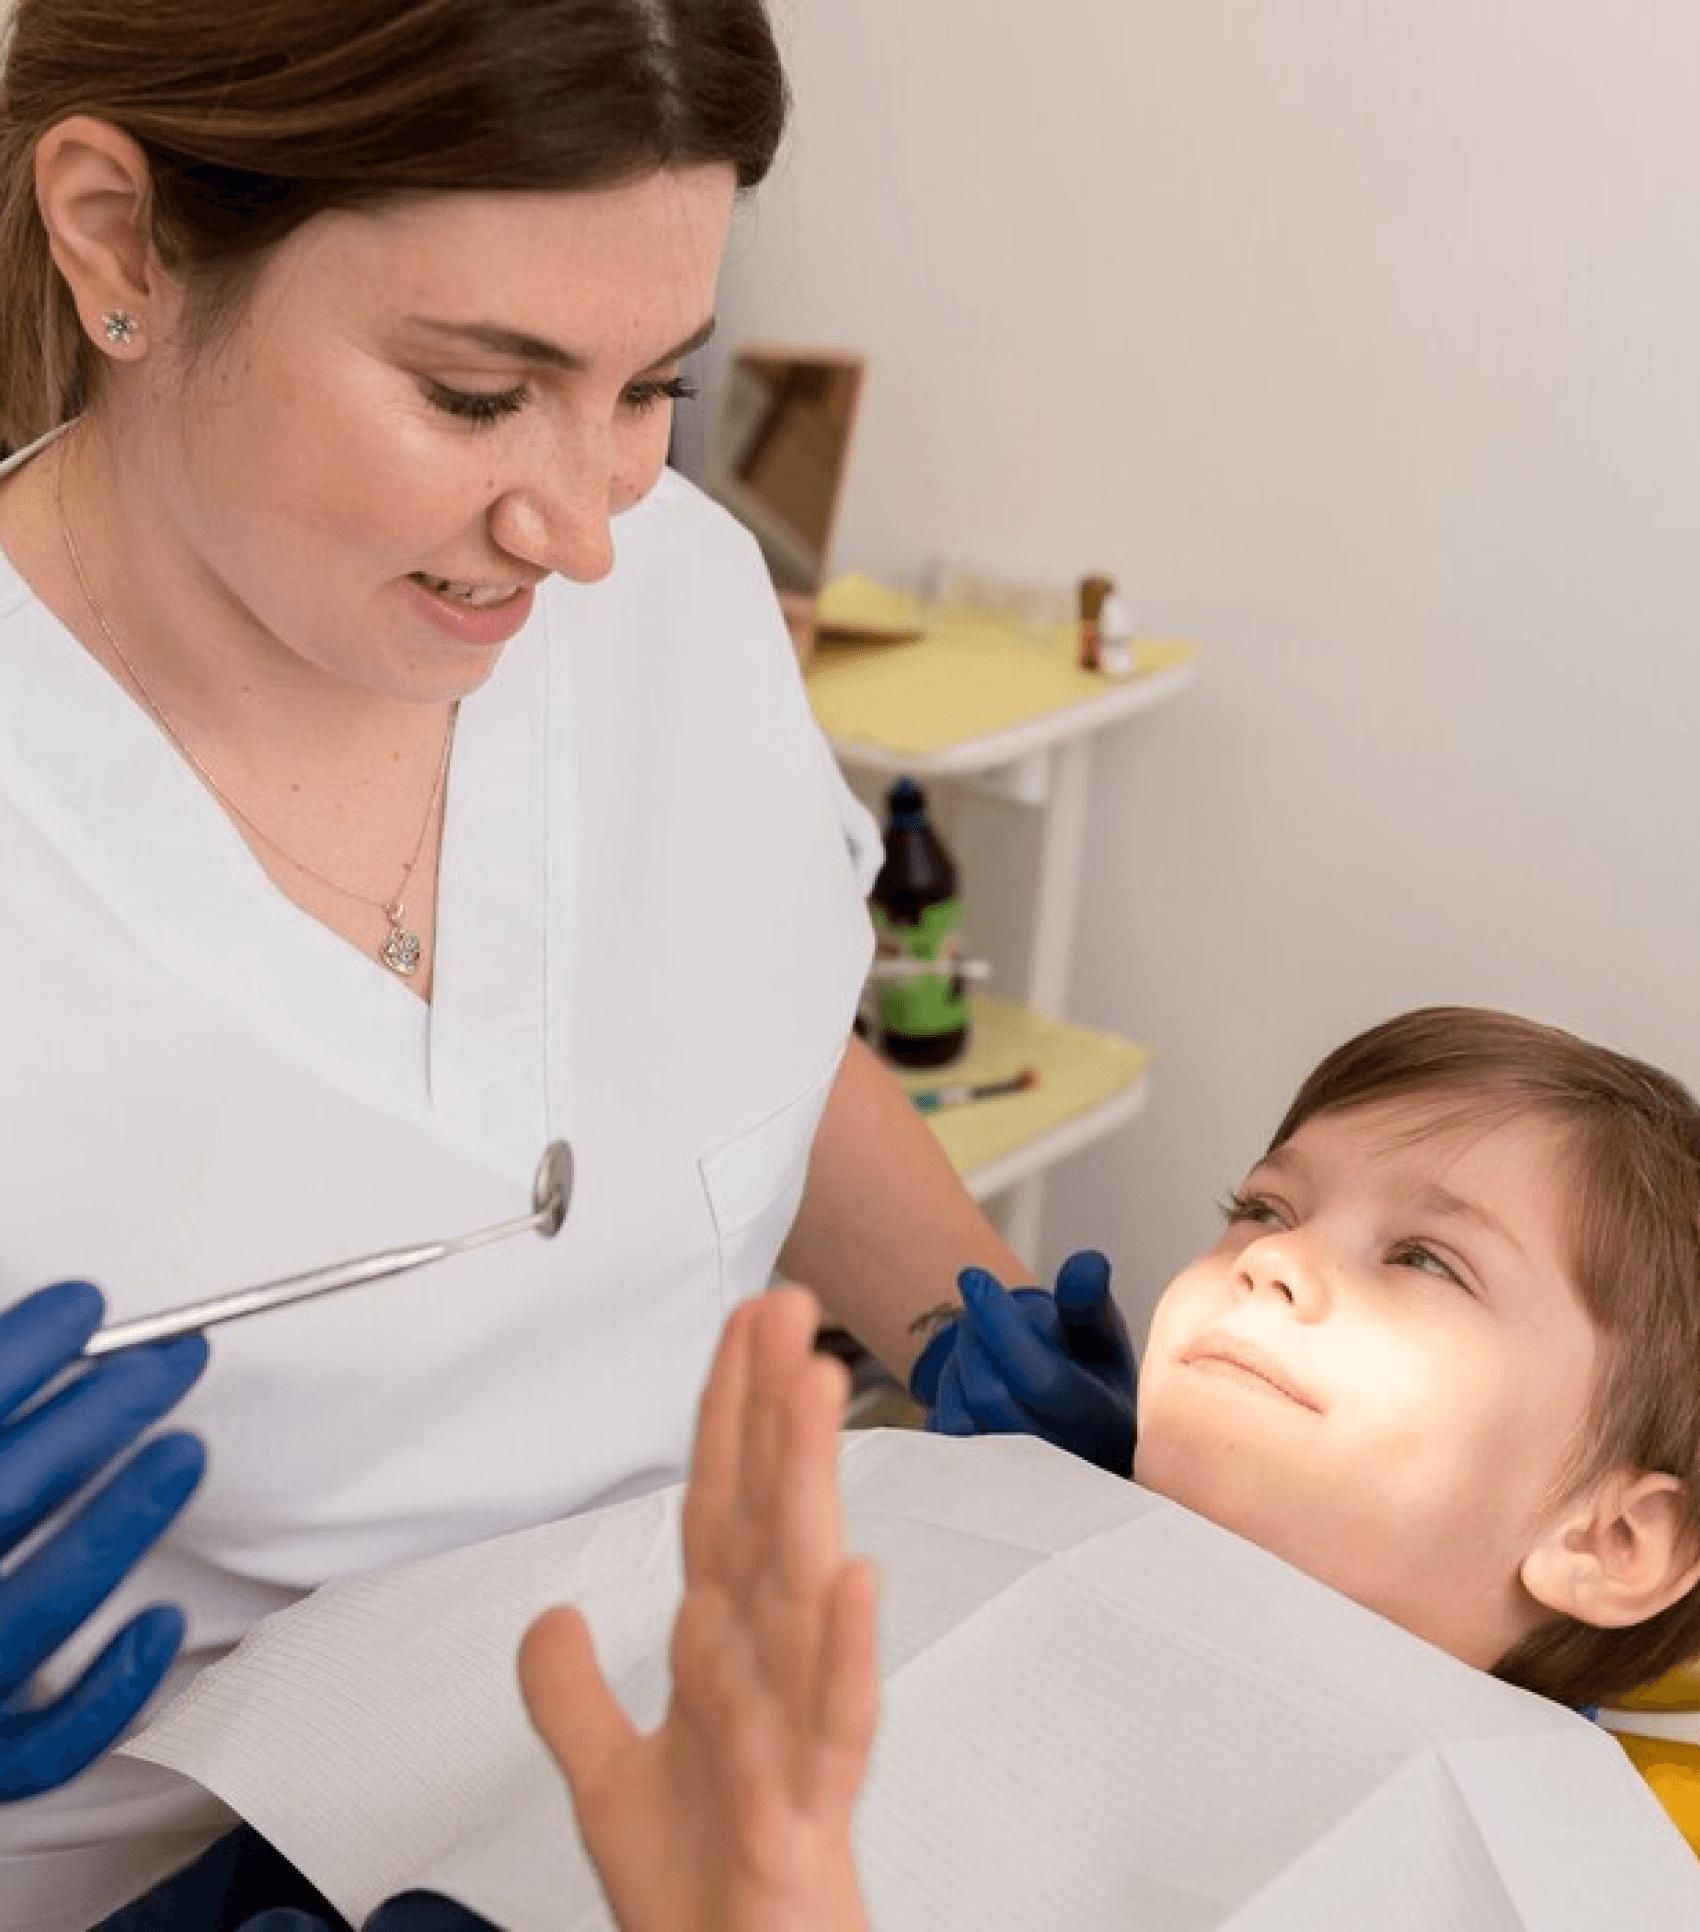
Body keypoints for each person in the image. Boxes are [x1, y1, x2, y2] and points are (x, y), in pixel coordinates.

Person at [0, 3, 1136, 1924]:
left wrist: (970, 1323)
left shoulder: (674, 589)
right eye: (471, 394)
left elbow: (745, 1029)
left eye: (649, 386)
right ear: (119, 242)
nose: (582, 526)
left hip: (680, 1804)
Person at [515, 1005, 1700, 1931]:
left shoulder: (1532, 1866)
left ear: (1611, 1543)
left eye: (1425, 1260)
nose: (1271, 1258)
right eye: (1258, 1205)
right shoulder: (950, 1538)